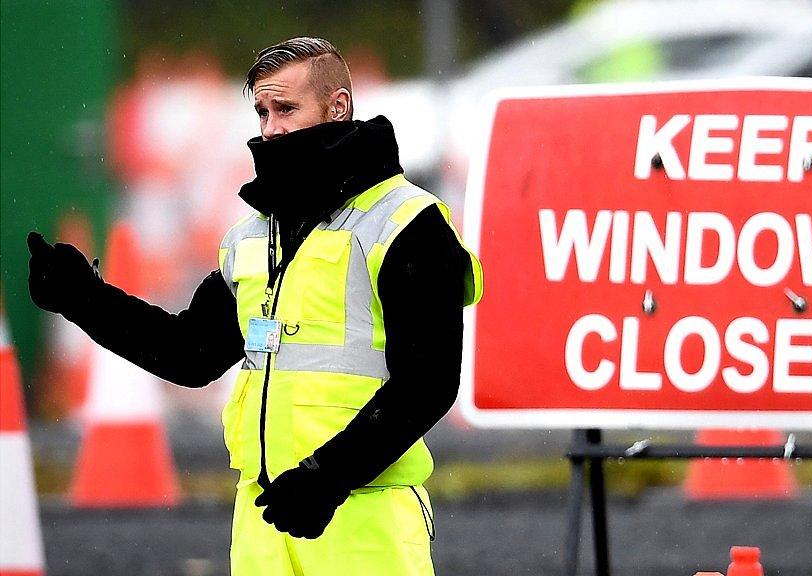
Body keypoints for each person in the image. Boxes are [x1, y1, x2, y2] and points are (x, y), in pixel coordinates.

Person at [26, 37, 482, 575]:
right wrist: (85, 299)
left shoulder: (406, 222)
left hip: (362, 521)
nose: (269, 128)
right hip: (265, 521)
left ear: (337, 107)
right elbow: (190, 355)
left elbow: (428, 382)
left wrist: (328, 476)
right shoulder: (252, 236)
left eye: (286, 109)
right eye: (262, 112)